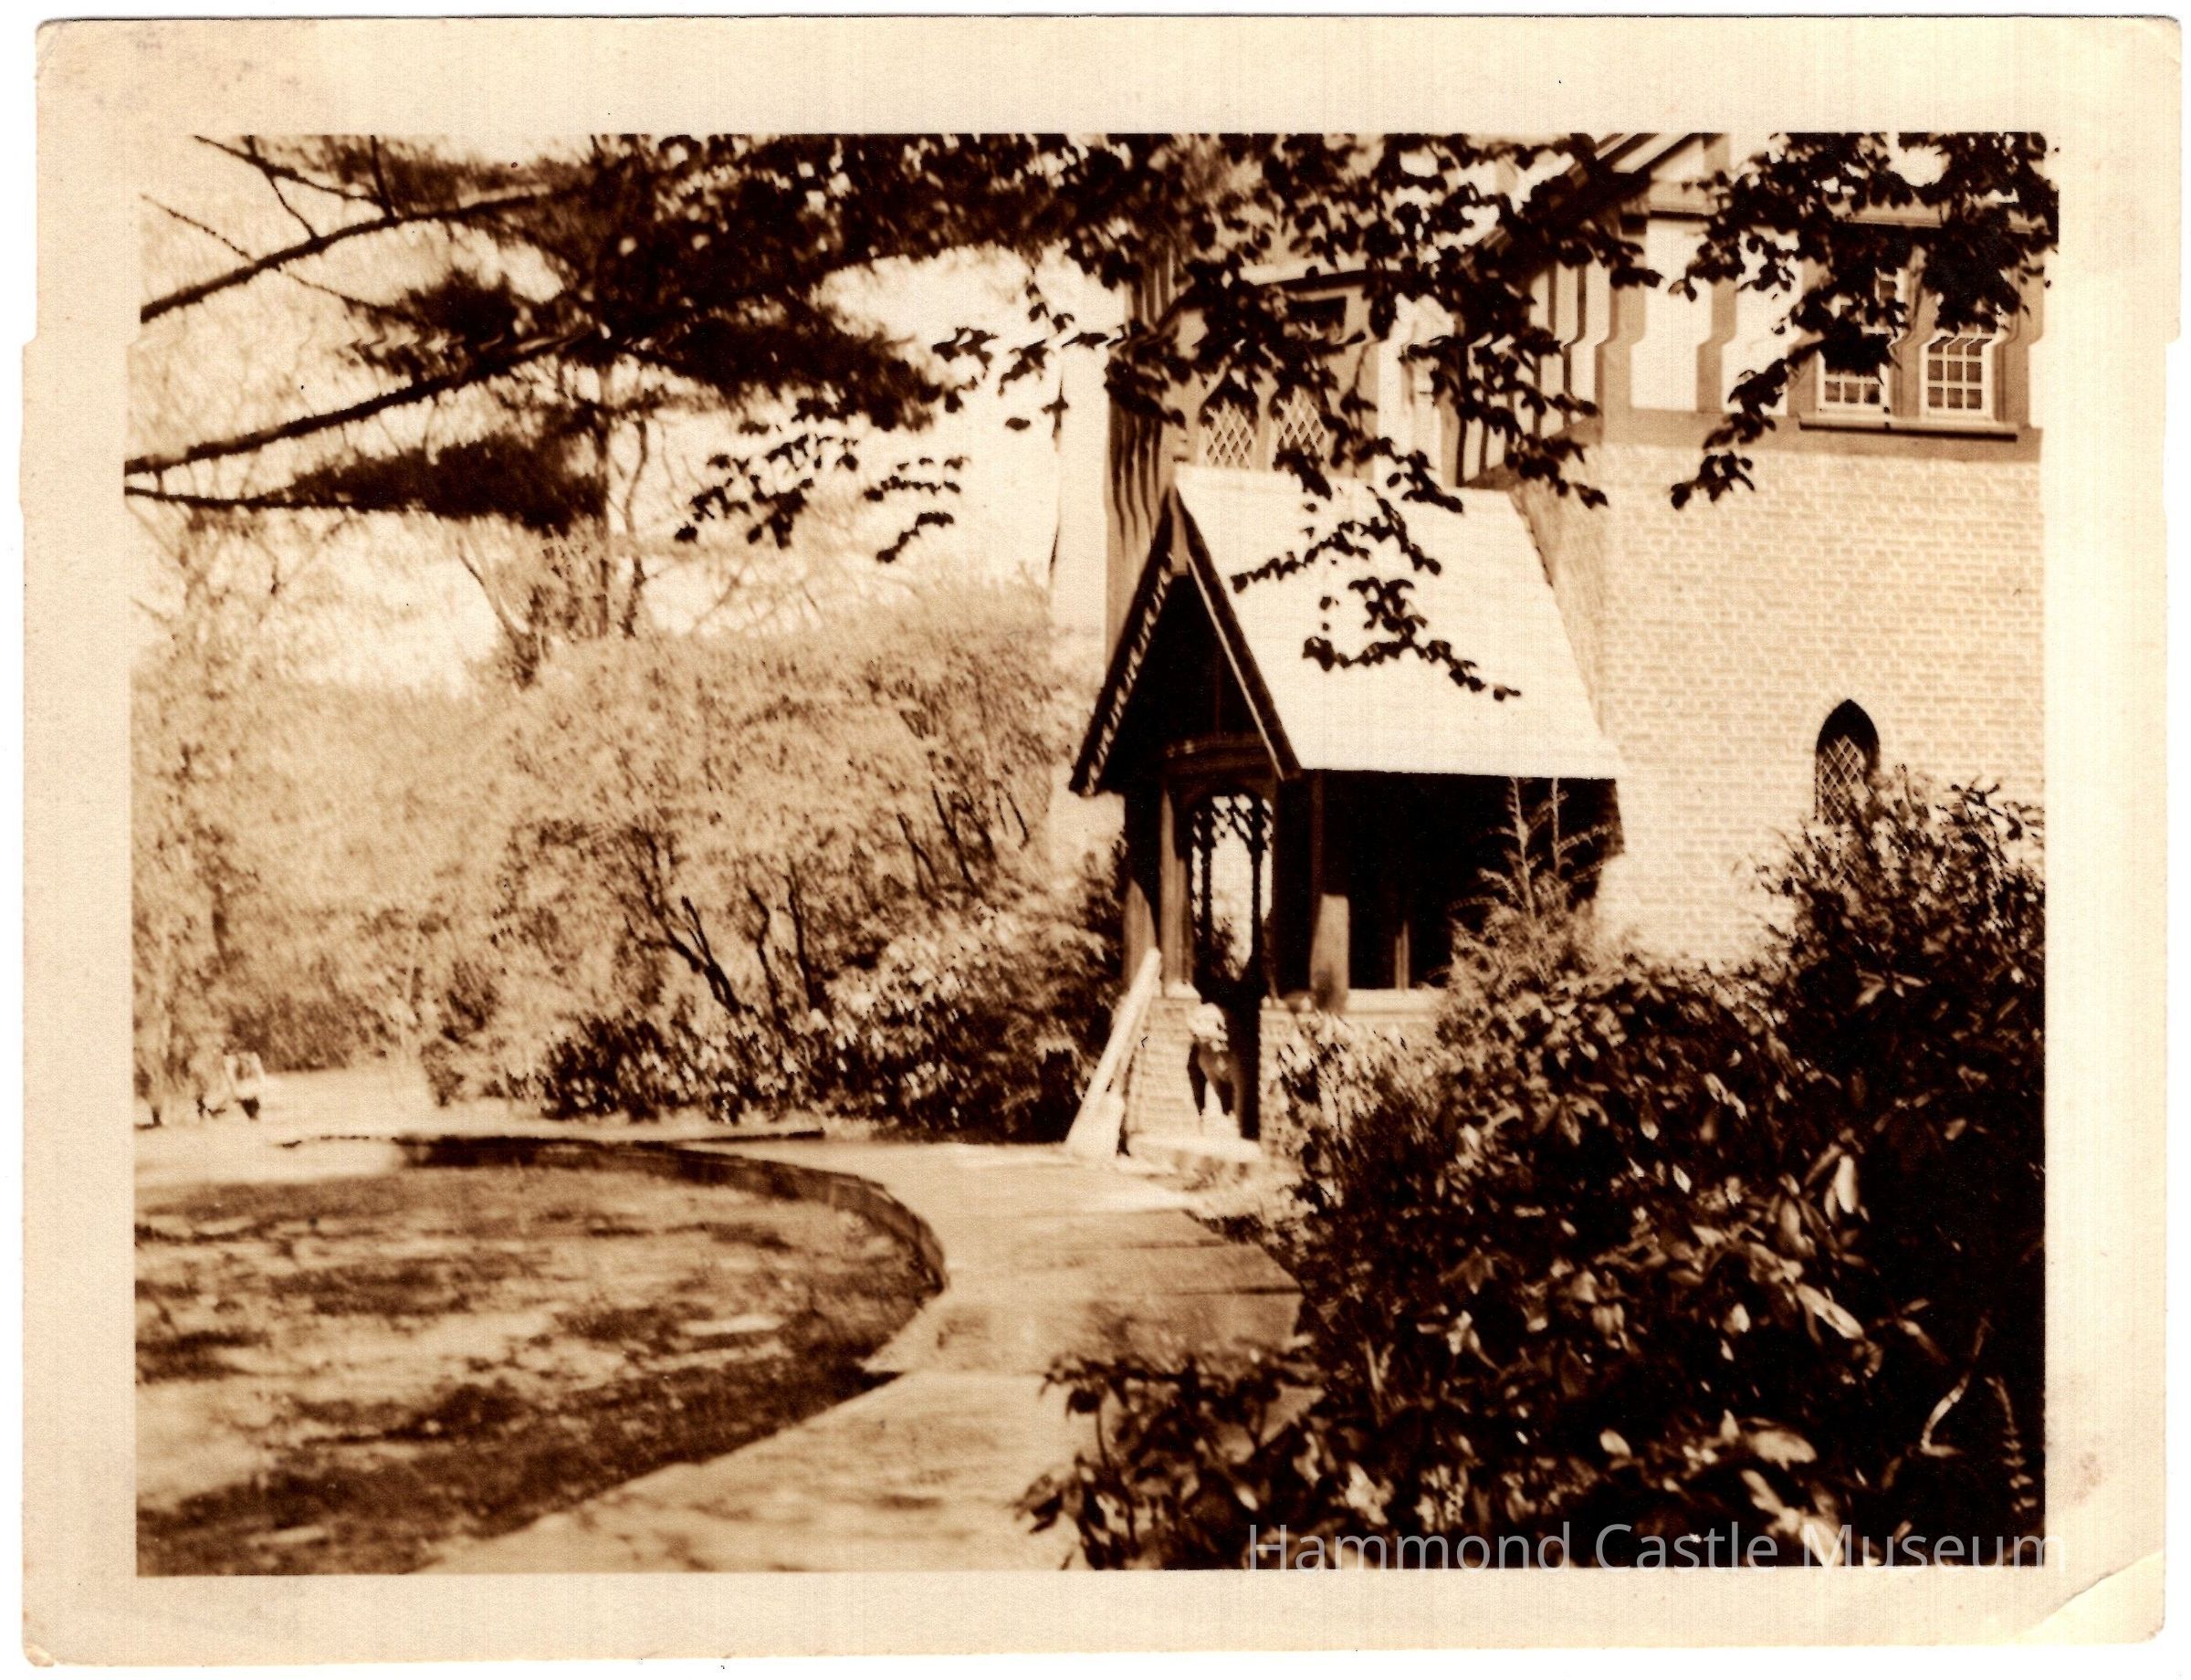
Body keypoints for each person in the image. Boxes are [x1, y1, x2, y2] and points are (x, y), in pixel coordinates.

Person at [1185, 1000, 1240, 1128]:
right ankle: (1216, 1112)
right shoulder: (1201, 1057)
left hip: (1220, 1055)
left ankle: (1230, 1112)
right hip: (1209, 1058)